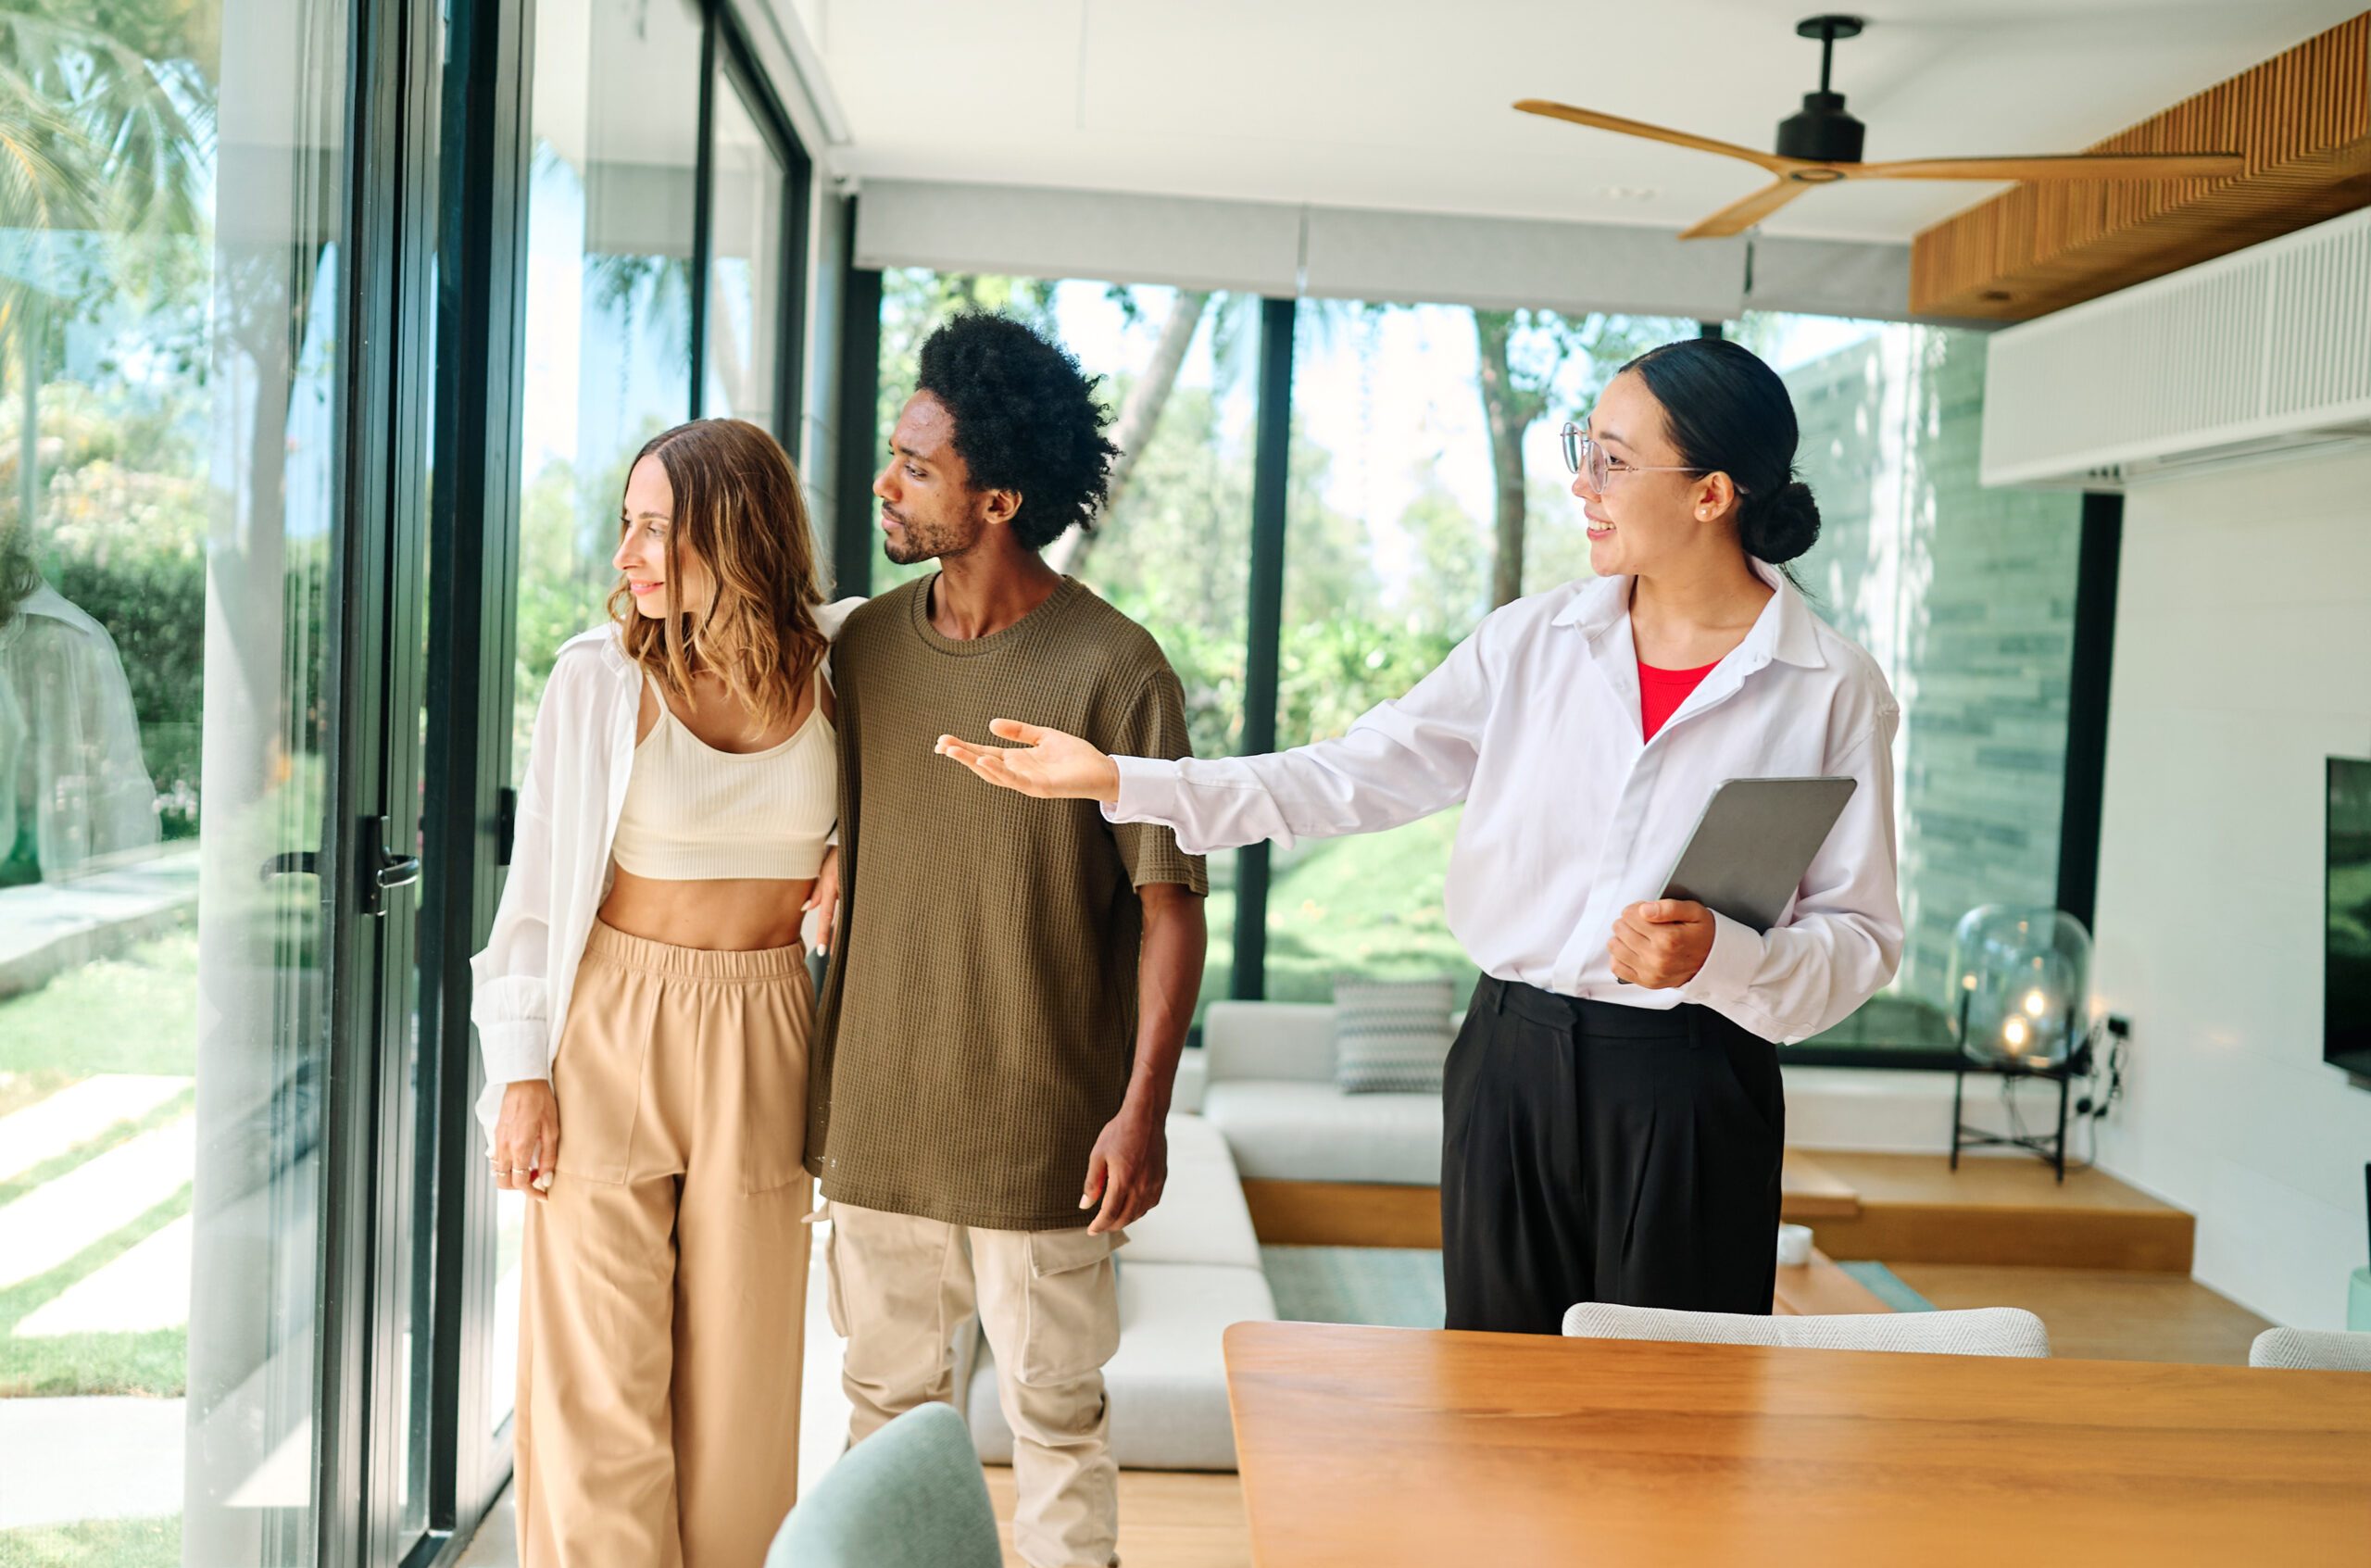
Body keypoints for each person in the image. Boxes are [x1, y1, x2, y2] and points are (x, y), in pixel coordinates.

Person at [938, 335, 1903, 1336]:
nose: (1582, 483)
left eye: (1613, 460)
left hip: (1697, 1086)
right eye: (1584, 449)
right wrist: (1122, 778)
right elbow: (1348, 776)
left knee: (1675, 1402)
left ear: (1711, 494)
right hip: (1509, 1066)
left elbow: (1862, 937)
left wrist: (1723, 956)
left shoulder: (1830, 689)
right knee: (1493, 1392)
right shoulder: (1530, 643)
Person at [805, 312, 1207, 1568]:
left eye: (914, 467)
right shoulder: (864, 650)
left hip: (1045, 1135)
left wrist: (1142, 1110)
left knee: (1057, 1424)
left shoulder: (1115, 668)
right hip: (878, 1118)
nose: (885, 483)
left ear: (997, 500)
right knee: (885, 1427)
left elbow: (1170, 903)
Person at [470, 418, 859, 1566]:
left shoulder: (849, 668)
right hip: (611, 1026)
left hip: (766, 1027)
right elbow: (536, 894)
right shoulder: (598, 678)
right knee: (597, 1393)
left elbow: (946, 779)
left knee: (742, 1390)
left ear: (735, 535)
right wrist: (522, 1074)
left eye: (655, 528)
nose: (626, 554)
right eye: (627, 523)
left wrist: (855, 849)